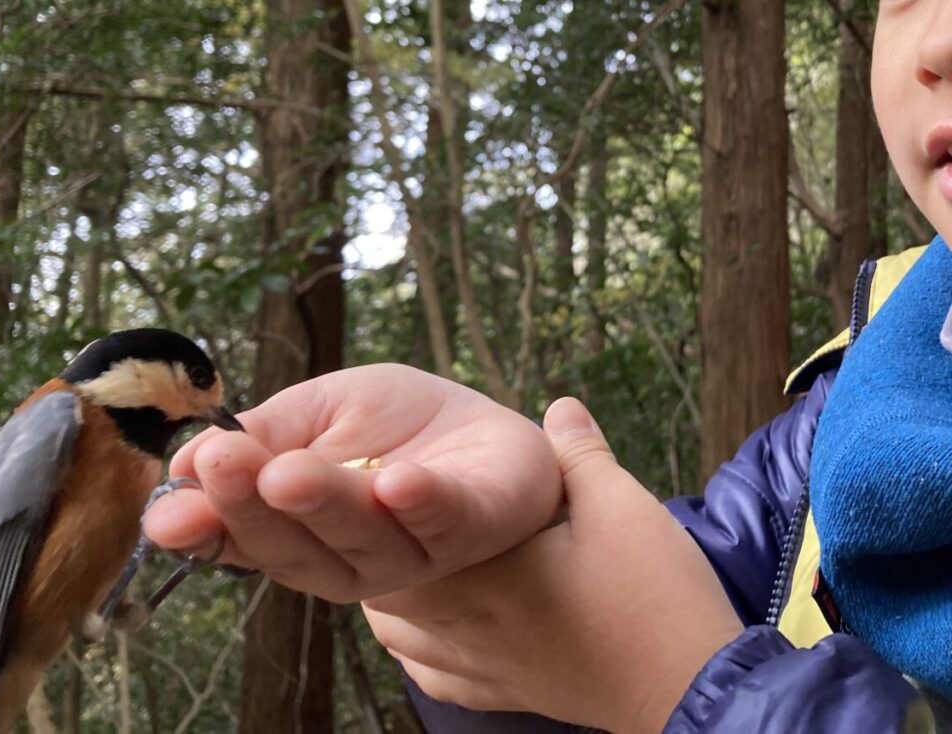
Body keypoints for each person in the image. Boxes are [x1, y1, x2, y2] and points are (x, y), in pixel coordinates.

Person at [144, 1, 952, 731]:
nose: (939, 42)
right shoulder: (856, 389)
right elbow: (685, 593)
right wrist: (516, 555)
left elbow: (673, 662)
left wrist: (690, 690)